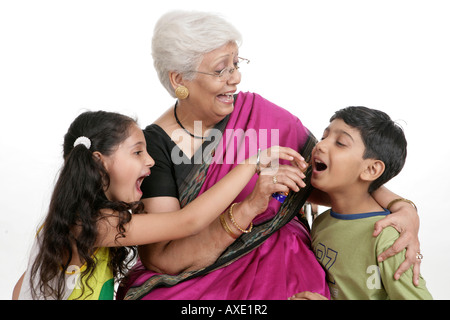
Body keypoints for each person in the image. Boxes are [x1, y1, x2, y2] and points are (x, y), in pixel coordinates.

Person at [117, 11, 421, 300]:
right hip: (196, 270)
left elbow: (336, 175)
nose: (235, 79)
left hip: (283, 259)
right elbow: (164, 258)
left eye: (237, 64)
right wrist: (249, 207)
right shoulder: (154, 147)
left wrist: (403, 208)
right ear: (178, 79)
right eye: (222, 69)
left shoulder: (259, 113)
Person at [12, 110, 303, 300]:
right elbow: (187, 222)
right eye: (138, 152)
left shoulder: (72, 221)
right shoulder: (92, 224)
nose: (150, 161)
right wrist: (252, 163)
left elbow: (21, 288)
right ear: (99, 162)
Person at [291, 107, 432, 300]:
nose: (321, 146)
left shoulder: (388, 238)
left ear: (372, 169)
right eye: (324, 137)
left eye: (340, 143)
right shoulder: (322, 223)